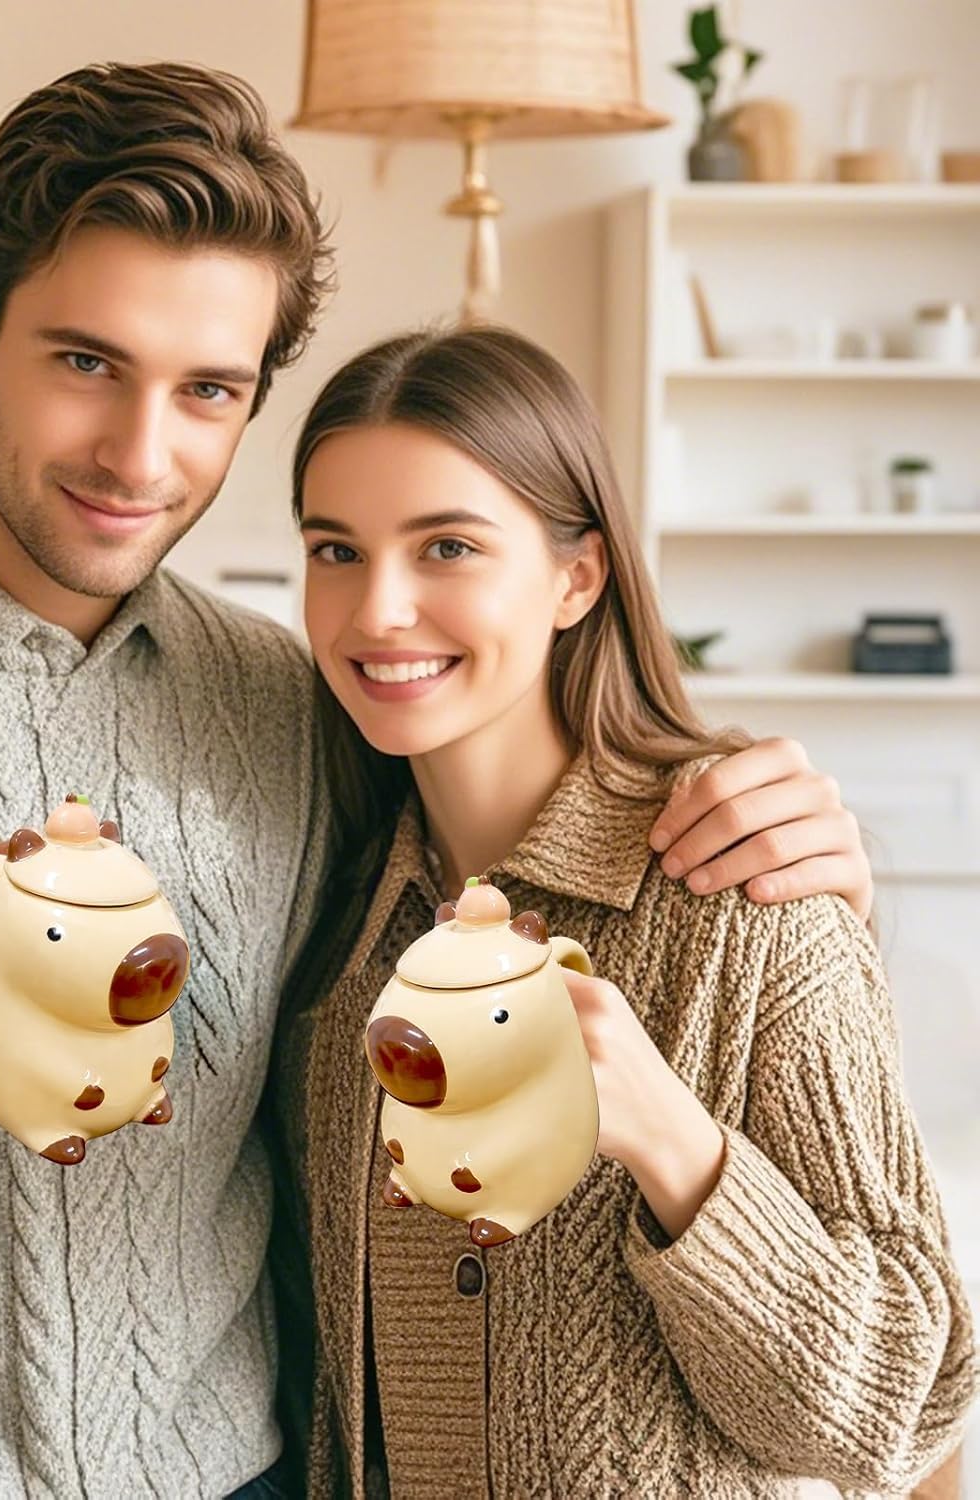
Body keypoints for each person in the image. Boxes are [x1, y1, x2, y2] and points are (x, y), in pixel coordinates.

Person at [0, 62, 875, 1498]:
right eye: (86, 362)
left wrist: (791, 851)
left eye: (208, 390)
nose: (141, 457)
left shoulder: (285, 698)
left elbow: (516, 851)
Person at [268, 325, 978, 1498]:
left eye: (446, 546)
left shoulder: (744, 894)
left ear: (577, 577)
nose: (377, 609)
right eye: (334, 549)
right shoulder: (339, 931)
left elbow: (902, 1405)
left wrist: (672, 1143)